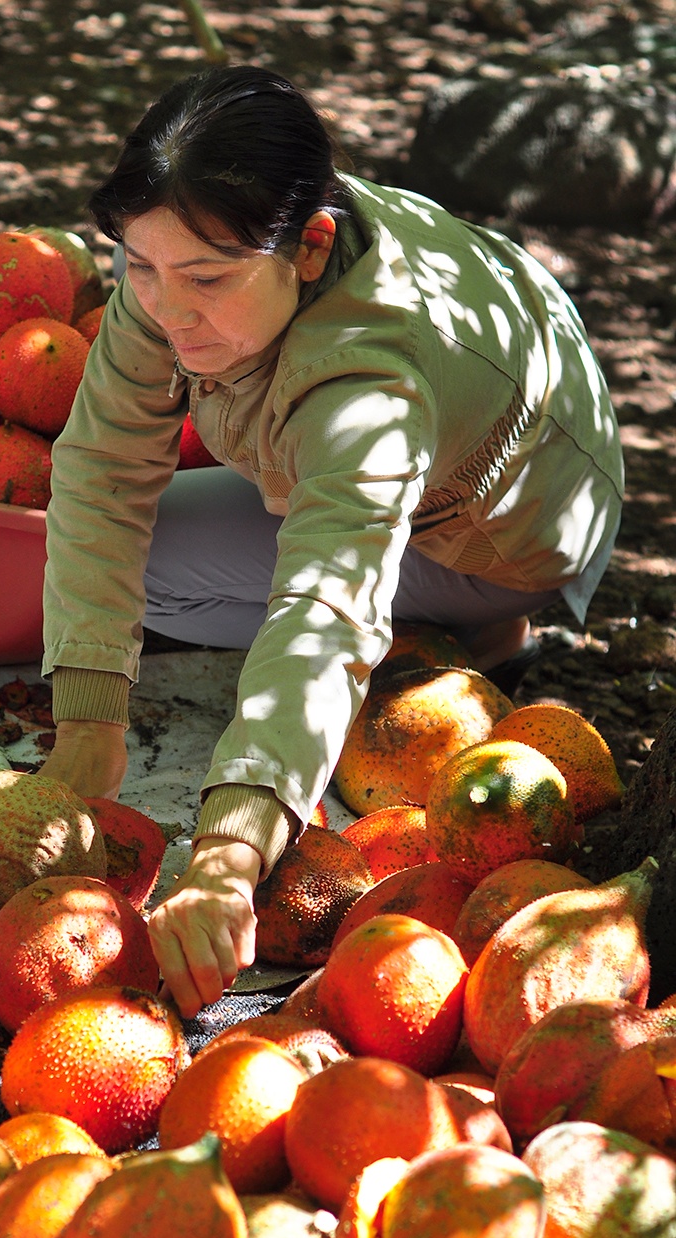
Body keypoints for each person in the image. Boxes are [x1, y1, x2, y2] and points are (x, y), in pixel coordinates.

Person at [36, 64, 623, 1017]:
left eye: (205, 281)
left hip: (513, 530)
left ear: (309, 248)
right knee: (109, 556)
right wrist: (90, 724)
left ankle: (473, 635)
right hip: (496, 384)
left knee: (254, 594)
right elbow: (101, 469)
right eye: (139, 267)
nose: (168, 308)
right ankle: (432, 645)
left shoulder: (371, 386)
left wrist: (228, 853)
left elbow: (322, 612)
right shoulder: (184, 250)